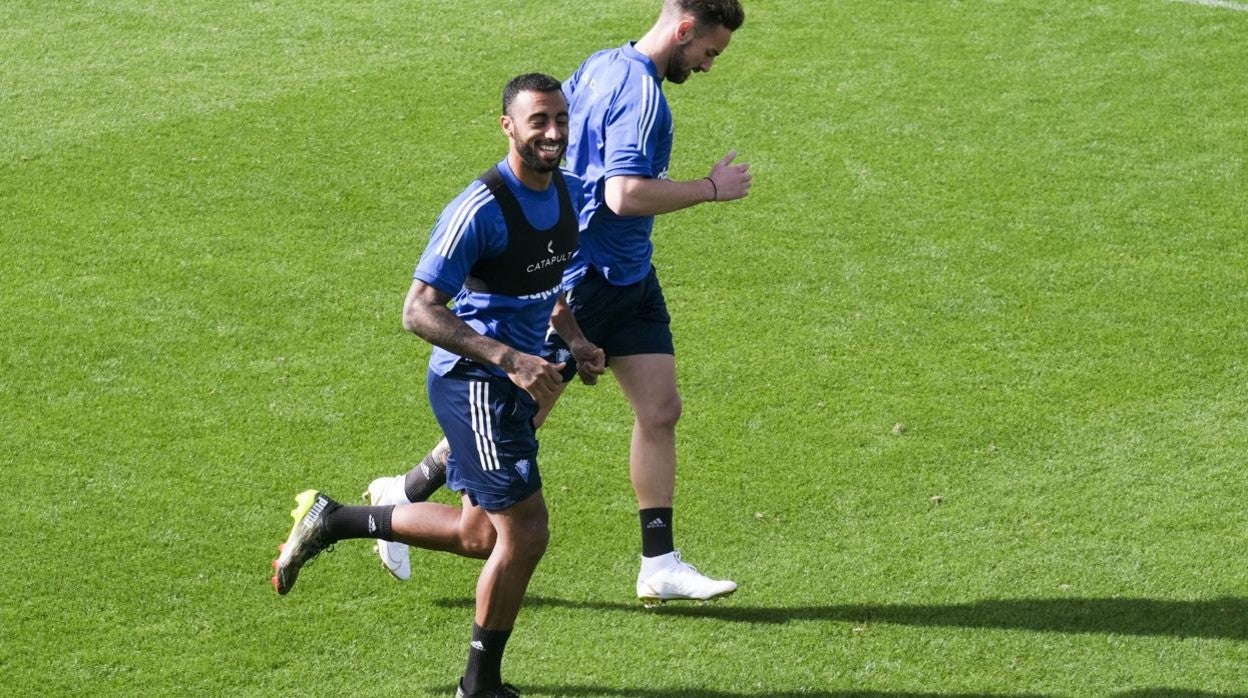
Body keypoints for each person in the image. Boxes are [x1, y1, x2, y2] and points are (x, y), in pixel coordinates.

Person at [366, 0, 751, 606]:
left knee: (661, 409)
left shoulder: (601, 64)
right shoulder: (645, 98)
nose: (707, 65)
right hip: (588, 278)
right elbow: (623, 195)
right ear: (683, 30)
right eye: (709, 52)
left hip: (630, 276)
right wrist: (710, 189)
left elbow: (559, 150)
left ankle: (659, 562)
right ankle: (405, 495)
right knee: (517, 413)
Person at [270, 73, 605, 698]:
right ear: (508, 126)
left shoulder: (568, 194)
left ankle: (335, 519)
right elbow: (418, 310)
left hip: (516, 378)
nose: (554, 133)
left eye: (561, 119)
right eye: (539, 121)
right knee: (525, 533)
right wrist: (508, 357)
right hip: (474, 383)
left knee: (481, 537)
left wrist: (576, 339)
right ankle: (478, 687)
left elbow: (549, 287)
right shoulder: (479, 208)